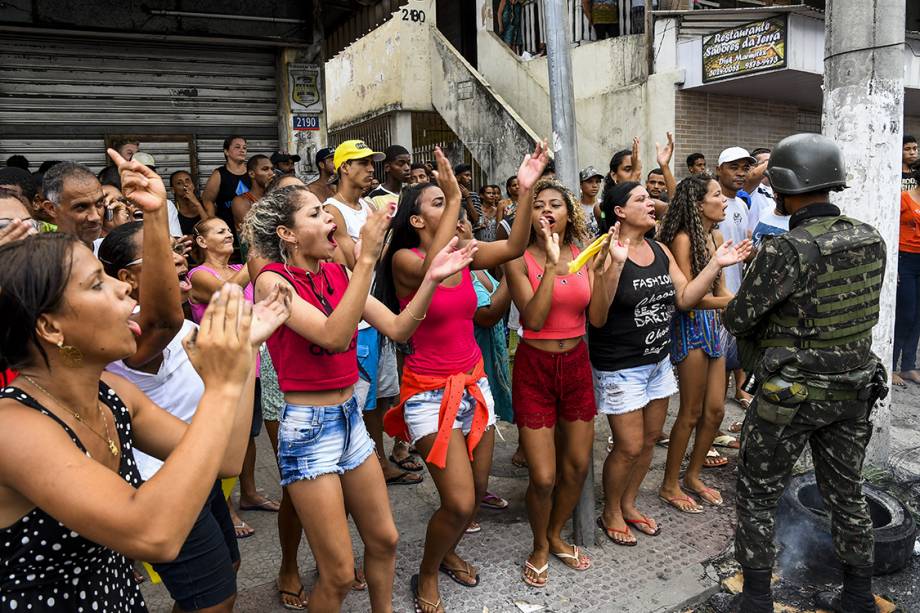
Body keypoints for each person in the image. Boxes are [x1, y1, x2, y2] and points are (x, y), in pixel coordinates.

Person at [0, 149, 273, 612]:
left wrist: (242, 354)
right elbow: (155, 533)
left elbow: (225, 459)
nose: (124, 287)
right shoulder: (15, 428)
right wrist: (222, 385)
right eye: (97, 284)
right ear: (49, 327)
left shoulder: (112, 394)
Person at [243, 180, 475, 612]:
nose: (329, 218)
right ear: (287, 234)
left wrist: (433, 279)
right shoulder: (273, 282)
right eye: (314, 214)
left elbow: (400, 327)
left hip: (350, 419)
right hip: (308, 429)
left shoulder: (336, 271)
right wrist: (368, 257)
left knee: (384, 538)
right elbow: (334, 336)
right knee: (337, 572)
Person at [379, 143, 548, 613]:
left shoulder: (465, 253)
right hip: (429, 395)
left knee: (472, 498)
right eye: (437, 203)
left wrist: (528, 190)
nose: (450, 205)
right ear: (416, 220)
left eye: (447, 199)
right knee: (456, 501)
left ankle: (448, 549)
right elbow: (435, 269)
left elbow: (513, 246)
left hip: (474, 386)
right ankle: (427, 573)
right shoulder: (407, 262)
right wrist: (453, 194)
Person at [725, 133, 887, 613]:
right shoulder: (870, 236)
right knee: (847, 494)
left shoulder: (785, 249)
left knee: (757, 492)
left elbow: (738, 318)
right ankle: (857, 596)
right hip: (856, 390)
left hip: (790, 398)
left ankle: (756, 600)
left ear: (780, 187)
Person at [590, 180, 749, 538]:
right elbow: (597, 317)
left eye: (650, 197)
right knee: (628, 446)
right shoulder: (603, 251)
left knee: (647, 442)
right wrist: (614, 267)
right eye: (642, 199)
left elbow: (684, 298)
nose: (652, 203)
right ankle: (611, 510)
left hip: (657, 362)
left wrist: (716, 265)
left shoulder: (660, 249)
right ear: (619, 211)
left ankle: (629, 503)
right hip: (621, 365)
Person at [505, 178, 601, 586]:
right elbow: (534, 319)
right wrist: (548, 265)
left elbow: (596, 318)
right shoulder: (517, 259)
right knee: (542, 476)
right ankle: (539, 545)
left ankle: (557, 534)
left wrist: (607, 271)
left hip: (577, 363)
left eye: (555, 204)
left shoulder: (583, 255)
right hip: (535, 366)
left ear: (568, 213)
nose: (547, 210)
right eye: (539, 204)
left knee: (577, 466)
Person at [657, 174, 748, 512]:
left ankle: (693, 475)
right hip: (690, 326)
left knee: (716, 410)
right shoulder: (682, 240)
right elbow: (691, 299)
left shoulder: (716, 235)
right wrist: (732, 304)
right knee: (691, 411)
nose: (723, 200)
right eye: (716, 195)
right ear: (698, 205)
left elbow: (721, 292)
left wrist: (743, 305)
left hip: (714, 327)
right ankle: (669, 484)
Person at [188, 217, 278, 537]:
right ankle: (224, 506)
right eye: (220, 231)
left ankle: (250, 493)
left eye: (229, 230)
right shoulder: (198, 275)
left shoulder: (242, 266)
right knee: (221, 439)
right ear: (201, 242)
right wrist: (254, 252)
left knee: (247, 433)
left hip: (251, 358)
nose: (228, 234)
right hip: (220, 365)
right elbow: (228, 292)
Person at [715, 146, 766, 410]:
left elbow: (741, 248)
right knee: (717, 366)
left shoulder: (743, 204)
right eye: (733, 167)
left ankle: (729, 403)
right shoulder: (712, 203)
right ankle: (713, 421)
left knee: (733, 356)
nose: (739, 173)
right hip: (713, 298)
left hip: (735, 293)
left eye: (744, 168)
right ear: (719, 169)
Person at [40, 161, 105, 248]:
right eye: (81, 207)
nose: (96, 217)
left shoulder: (116, 251)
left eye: (99, 203)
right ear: (51, 208)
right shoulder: (38, 259)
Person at [894, 181, 920, 387]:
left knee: (918, 316)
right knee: (905, 314)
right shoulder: (903, 198)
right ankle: (892, 365)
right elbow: (891, 228)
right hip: (905, 259)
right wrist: (894, 265)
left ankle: (908, 366)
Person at [202, 135, 251, 242]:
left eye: (244, 147)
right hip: (228, 230)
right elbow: (207, 200)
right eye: (237, 147)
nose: (242, 150)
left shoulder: (252, 172)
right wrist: (214, 224)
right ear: (226, 152)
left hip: (252, 228)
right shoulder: (219, 174)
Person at [232, 154, 274, 233]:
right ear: (252, 174)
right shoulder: (241, 201)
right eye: (265, 169)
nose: (271, 173)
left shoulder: (273, 196)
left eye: (272, 169)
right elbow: (256, 231)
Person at [170, 170, 210, 236]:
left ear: (193, 186)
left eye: (187, 181)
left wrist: (197, 204)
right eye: (179, 183)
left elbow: (211, 229)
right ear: (173, 190)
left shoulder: (207, 204)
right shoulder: (172, 211)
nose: (185, 184)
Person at [454, 163, 482, 231]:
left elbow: (476, 219)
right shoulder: (449, 194)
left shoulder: (474, 196)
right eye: (466, 175)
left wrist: (468, 198)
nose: (470, 178)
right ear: (457, 177)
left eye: (470, 176)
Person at [579, 166, 604, 239]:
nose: (595, 185)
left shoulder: (603, 205)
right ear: (581, 185)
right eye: (590, 182)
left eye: (597, 181)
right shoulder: (576, 208)